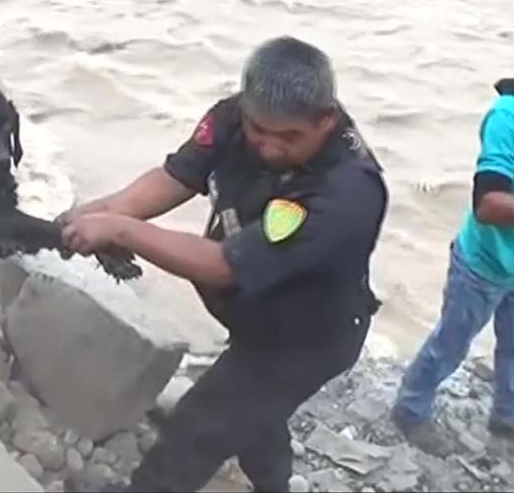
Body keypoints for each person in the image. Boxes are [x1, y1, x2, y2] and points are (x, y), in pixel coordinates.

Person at [60, 36, 389, 493]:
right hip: (258, 313)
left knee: (197, 427)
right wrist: (103, 211)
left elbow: (224, 266)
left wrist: (120, 231)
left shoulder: (346, 192)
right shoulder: (236, 116)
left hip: (304, 339)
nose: (269, 147)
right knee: (257, 418)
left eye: (290, 137)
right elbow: (177, 176)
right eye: (259, 130)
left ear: (326, 120)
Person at [392, 78, 514, 455]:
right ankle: (410, 409)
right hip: (483, 263)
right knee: (451, 343)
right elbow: (488, 204)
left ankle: (506, 417)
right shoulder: (506, 118)